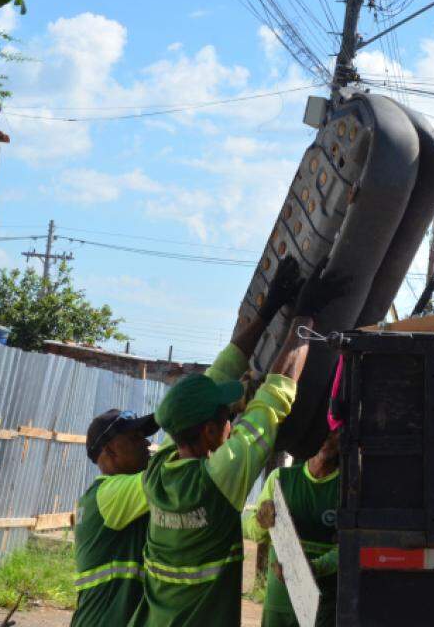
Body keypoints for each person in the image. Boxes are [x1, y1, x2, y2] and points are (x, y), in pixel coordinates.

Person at [132, 260, 345, 627]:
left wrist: (266, 312)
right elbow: (275, 396)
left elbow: (216, 375)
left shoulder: (160, 467)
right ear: (211, 433)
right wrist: (305, 316)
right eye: (227, 417)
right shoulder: (220, 475)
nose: (233, 421)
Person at [243, 429, 341, 627]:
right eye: (322, 430)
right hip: (280, 605)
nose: (327, 439)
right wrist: (261, 522)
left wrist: (314, 569)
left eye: (334, 432)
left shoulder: (347, 489)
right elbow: (251, 530)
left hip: (321, 606)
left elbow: (349, 549)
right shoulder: (280, 478)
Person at [71, 408, 158, 627]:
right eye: (134, 438)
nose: (146, 443)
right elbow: (167, 475)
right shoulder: (111, 494)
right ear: (110, 451)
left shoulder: (106, 495)